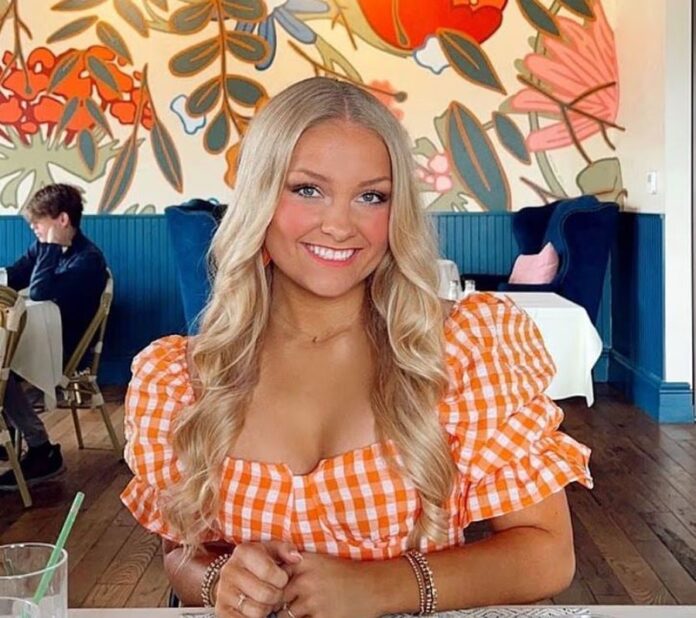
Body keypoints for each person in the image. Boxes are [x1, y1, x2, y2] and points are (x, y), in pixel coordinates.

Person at [121, 77, 592, 618]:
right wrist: (219, 580)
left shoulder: (464, 347)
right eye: (307, 189)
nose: (340, 225)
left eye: (372, 196)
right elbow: (180, 557)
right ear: (259, 197)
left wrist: (382, 586)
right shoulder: (180, 377)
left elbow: (547, 555)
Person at [0, 183, 108, 489]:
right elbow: (14, 276)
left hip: (64, 349)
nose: (33, 227)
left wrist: (48, 248)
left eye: (39, 221)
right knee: (1, 357)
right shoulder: (43, 247)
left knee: (1, 365)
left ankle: (41, 449)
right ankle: (9, 434)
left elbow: (39, 291)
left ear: (62, 219)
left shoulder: (88, 260)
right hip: (37, 338)